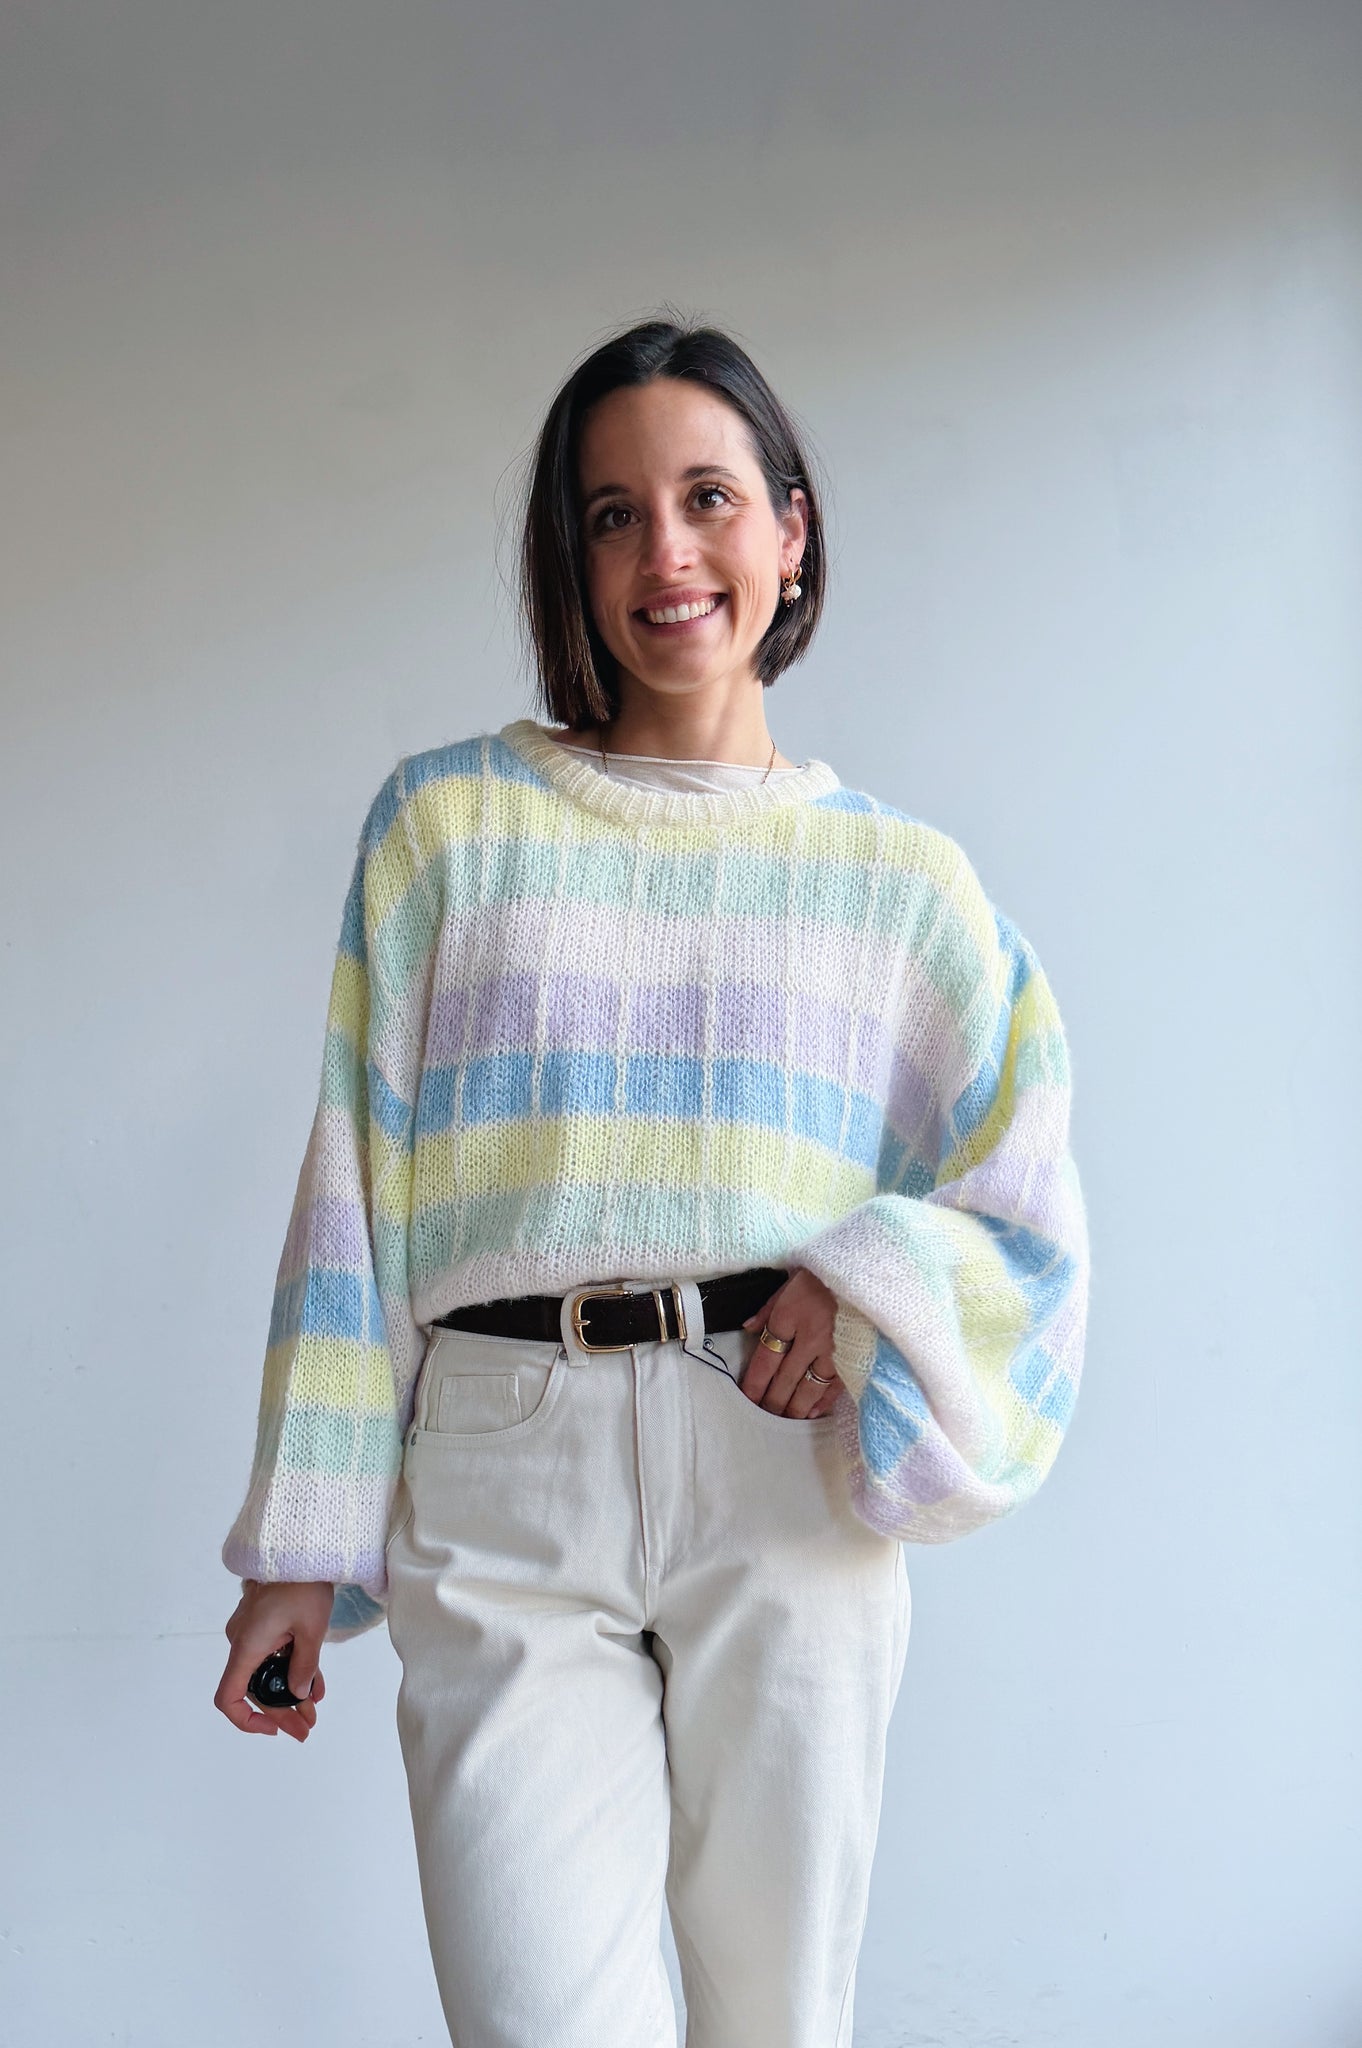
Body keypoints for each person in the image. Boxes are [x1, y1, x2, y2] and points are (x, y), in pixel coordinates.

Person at [214, 314, 1091, 2047]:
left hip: (780, 1471)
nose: (664, 553)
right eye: (611, 515)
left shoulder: (903, 886)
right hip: (501, 1466)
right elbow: (352, 1193)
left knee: (775, 2023)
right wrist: (300, 1547)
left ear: (790, 528)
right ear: (570, 558)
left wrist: (863, 1276)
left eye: (706, 499)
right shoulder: (446, 829)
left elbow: (1025, 1210)